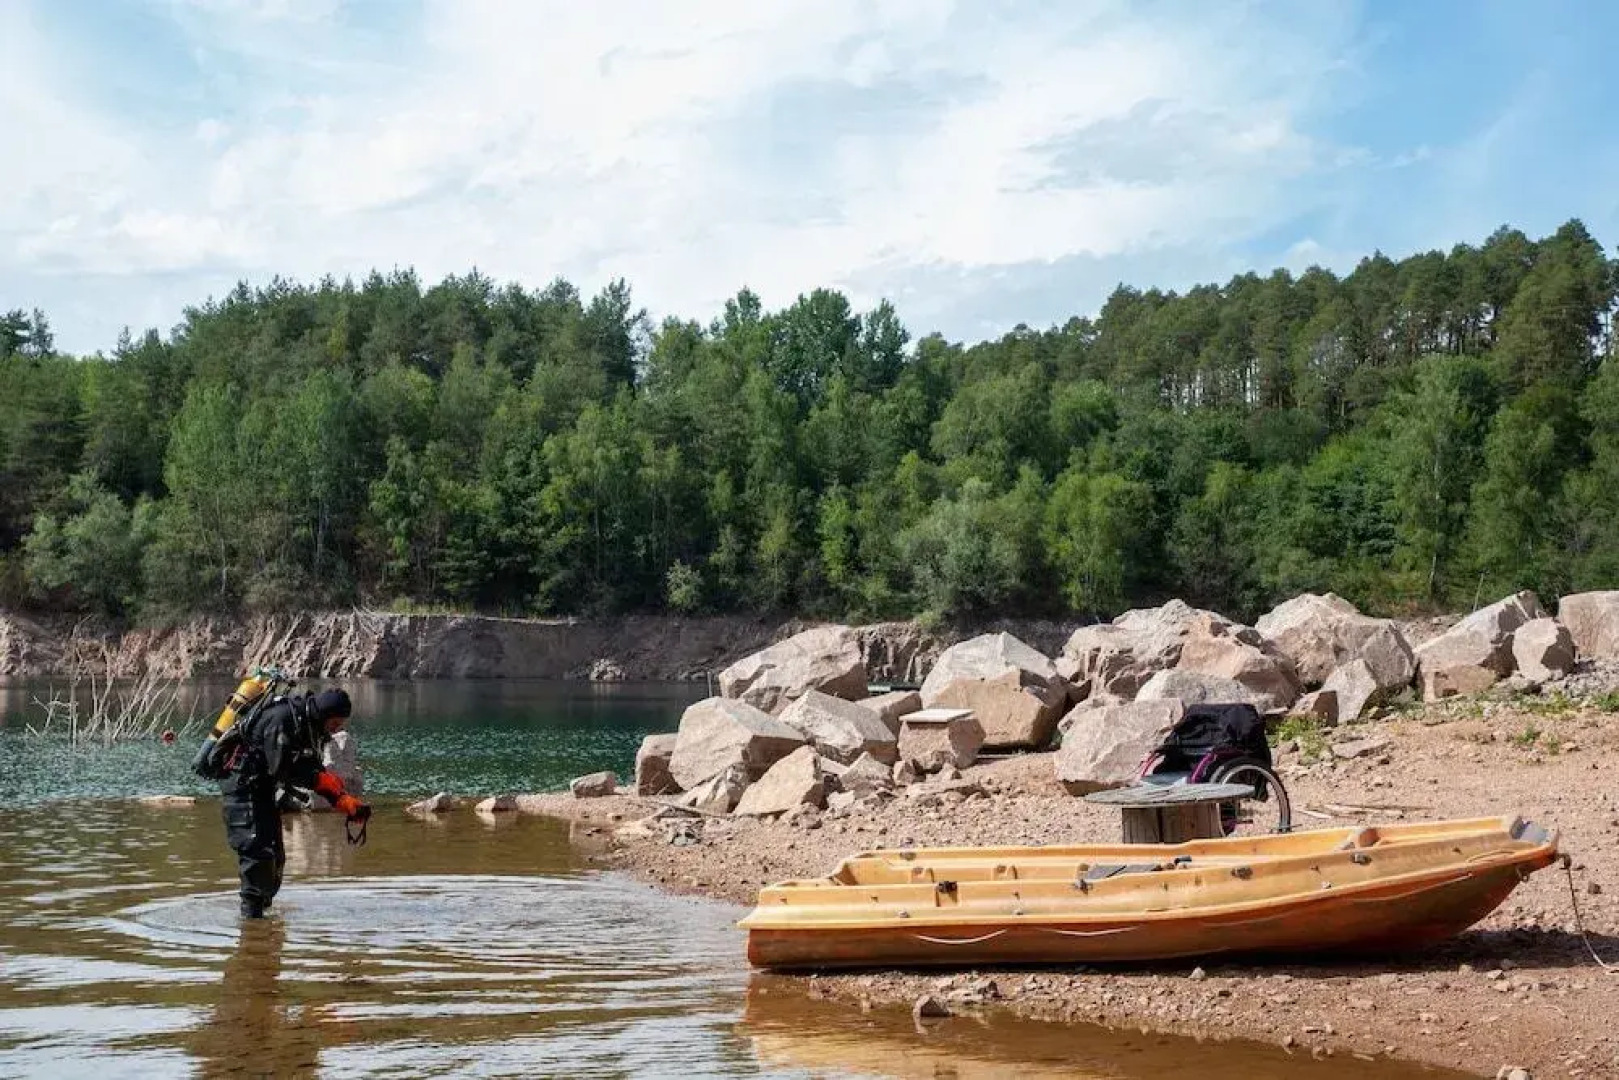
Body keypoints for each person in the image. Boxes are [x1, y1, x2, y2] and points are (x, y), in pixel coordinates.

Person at [216, 687, 371, 919]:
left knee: (275, 859)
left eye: (340, 725)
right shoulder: (282, 720)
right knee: (257, 858)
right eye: (335, 723)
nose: (337, 729)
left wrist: (343, 800)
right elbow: (284, 768)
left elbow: (312, 769)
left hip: (263, 791)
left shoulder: (308, 725)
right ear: (325, 714)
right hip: (242, 790)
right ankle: (251, 929)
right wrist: (325, 784)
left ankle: (263, 927)